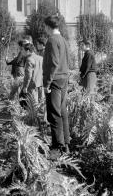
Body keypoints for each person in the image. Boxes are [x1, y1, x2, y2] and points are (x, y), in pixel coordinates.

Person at [43, 14, 70, 159]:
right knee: (62, 111)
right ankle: (66, 143)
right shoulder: (64, 40)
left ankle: (56, 148)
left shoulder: (52, 40)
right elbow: (68, 60)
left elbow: (53, 63)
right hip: (64, 78)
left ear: (47, 26)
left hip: (54, 80)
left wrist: (47, 83)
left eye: (45, 27)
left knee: (54, 114)